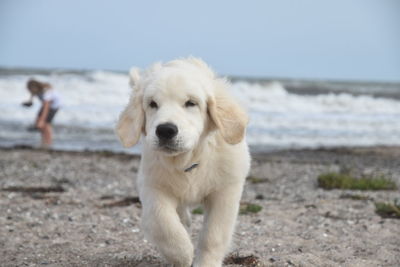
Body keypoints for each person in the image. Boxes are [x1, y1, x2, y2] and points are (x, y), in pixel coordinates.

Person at [22, 79, 62, 148]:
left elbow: (46, 108)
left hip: (54, 106)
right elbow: (32, 95)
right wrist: (29, 102)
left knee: (46, 124)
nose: (29, 91)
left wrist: (42, 120)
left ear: (34, 88)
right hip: (46, 105)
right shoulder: (36, 91)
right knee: (38, 122)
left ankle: (49, 143)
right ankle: (43, 141)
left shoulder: (46, 92)